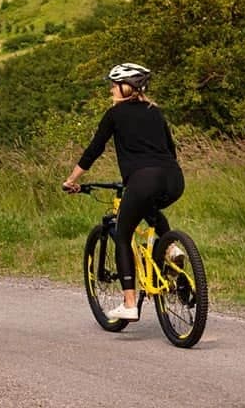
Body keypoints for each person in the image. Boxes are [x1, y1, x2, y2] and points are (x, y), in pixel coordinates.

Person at [62, 62, 185, 321]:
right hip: (174, 179)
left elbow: (94, 150)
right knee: (149, 208)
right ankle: (171, 249)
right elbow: (171, 150)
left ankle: (129, 303)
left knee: (122, 234)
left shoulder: (114, 115)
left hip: (143, 180)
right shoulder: (155, 112)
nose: (111, 90)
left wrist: (72, 179)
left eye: (114, 85)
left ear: (126, 87)